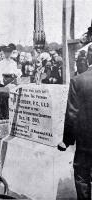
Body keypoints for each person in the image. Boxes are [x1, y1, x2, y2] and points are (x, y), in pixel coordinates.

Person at [58, 44, 92, 199]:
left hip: (86, 141)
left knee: (82, 176)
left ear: (89, 58)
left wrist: (66, 141)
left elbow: (72, 114)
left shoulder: (78, 81)